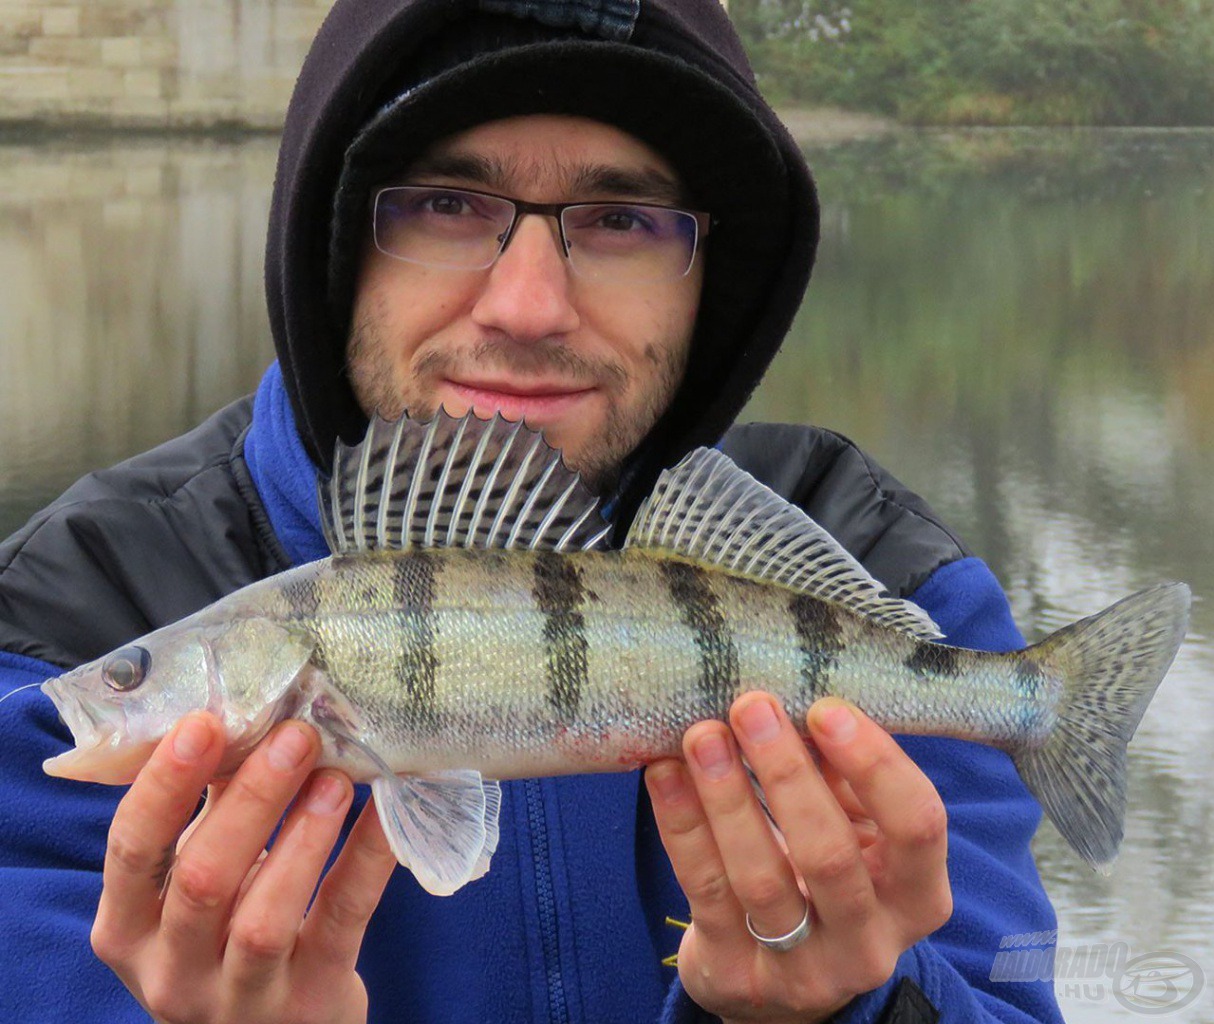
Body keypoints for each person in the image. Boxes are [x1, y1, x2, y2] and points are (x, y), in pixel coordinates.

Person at [0, 1, 1065, 1022]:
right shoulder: (63, 617)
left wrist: (856, 1010)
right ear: (332, 249)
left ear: (714, 279)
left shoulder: (893, 576)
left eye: (620, 220)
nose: (526, 306)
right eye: (445, 204)